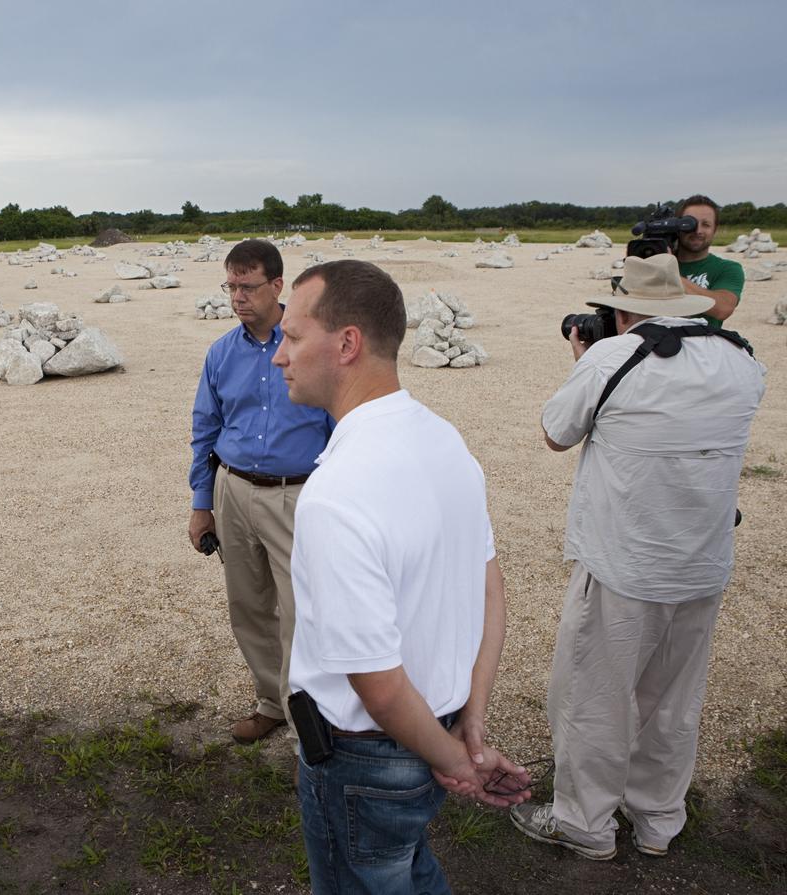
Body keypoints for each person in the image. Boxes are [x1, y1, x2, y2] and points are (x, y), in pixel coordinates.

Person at [274, 260, 529, 893]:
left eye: (292, 336)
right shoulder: (445, 440)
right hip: (437, 724)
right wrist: (469, 722)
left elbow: (379, 685)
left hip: (367, 754)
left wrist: (458, 767)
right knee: (407, 866)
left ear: (347, 343)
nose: (279, 356)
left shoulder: (337, 493)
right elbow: (489, 589)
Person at [512, 253, 765, 860]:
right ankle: (657, 819)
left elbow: (556, 432)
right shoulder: (741, 360)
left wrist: (585, 360)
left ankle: (585, 824)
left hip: (624, 565)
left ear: (624, 308)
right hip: (703, 564)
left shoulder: (611, 357)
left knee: (594, 700)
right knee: (675, 701)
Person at [189, 240, 333, 745]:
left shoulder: (313, 346)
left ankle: (306, 730)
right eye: (230, 286)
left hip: (298, 497)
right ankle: (271, 703)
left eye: (247, 286)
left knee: (300, 614)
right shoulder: (221, 353)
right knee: (248, 607)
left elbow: (342, 427)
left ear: (277, 286)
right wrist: (201, 504)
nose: (237, 297)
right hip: (233, 492)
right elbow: (205, 428)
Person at [674, 193, 744, 328]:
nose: (697, 230)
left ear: (715, 229)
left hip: (702, 346)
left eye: (705, 224)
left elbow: (723, 308)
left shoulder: (727, 269)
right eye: (690, 223)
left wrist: (666, 272)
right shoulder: (652, 262)